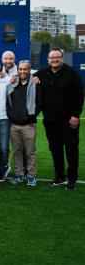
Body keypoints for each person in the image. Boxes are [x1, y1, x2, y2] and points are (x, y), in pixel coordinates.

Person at [35, 49, 84, 190]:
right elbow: (24, 77)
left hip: (69, 120)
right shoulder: (41, 73)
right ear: (48, 60)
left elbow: (80, 95)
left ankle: (72, 178)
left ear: (62, 58)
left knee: (71, 149)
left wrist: (76, 115)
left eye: (57, 57)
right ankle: (59, 176)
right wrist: (33, 78)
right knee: (55, 149)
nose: (54, 59)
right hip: (50, 120)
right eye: (52, 57)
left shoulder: (72, 74)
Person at [7, 60, 41, 187]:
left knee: (30, 152)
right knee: (17, 152)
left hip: (29, 125)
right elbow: (8, 101)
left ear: (29, 70)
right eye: (20, 69)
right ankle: (19, 174)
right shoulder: (13, 83)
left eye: (25, 69)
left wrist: (31, 115)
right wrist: (12, 116)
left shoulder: (35, 83)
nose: (22, 71)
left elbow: (39, 102)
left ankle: (31, 176)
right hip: (14, 125)